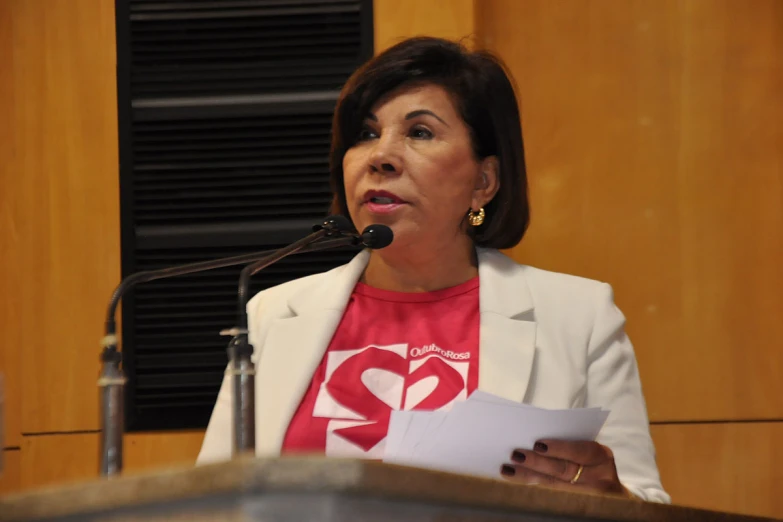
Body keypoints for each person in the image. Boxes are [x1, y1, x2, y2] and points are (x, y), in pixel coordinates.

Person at [197, 36, 669, 503]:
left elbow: (645, 504)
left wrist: (613, 499)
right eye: (365, 134)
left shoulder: (577, 317)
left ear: (484, 181)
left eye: (419, 133)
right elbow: (209, 503)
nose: (380, 156)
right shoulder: (272, 315)